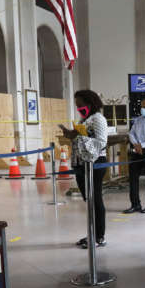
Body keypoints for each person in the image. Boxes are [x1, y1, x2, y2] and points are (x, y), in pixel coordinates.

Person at [60, 89, 109, 248]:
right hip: (82, 163)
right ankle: (91, 233)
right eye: (77, 105)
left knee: (95, 199)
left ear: (90, 103)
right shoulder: (84, 119)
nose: (79, 108)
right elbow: (81, 137)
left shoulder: (98, 119)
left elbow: (101, 142)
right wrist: (70, 134)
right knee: (89, 200)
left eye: (81, 105)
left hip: (95, 163)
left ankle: (99, 236)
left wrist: (79, 137)